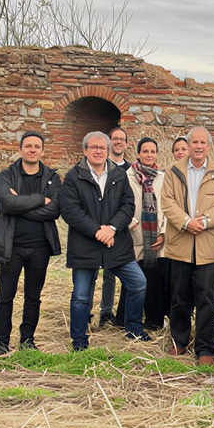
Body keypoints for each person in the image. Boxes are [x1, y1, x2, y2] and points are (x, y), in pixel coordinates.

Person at [59, 131, 150, 351]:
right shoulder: (73, 176)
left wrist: (111, 228)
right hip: (85, 246)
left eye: (102, 148)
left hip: (116, 244)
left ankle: (134, 329)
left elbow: (127, 205)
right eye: (94, 147)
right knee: (81, 296)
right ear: (85, 150)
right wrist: (96, 231)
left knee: (138, 283)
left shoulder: (119, 174)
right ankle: (79, 339)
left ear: (108, 151)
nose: (98, 151)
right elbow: (70, 210)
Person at [0, 131, 61, 356]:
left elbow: (55, 210)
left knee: (33, 297)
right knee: (5, 296)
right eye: (28, 146)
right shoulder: (6, 175)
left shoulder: (52, 177)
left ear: (43, 151)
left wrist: (20, 205)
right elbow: (6, 204)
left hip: (40, 247)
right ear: (20, 149)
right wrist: (39, 199)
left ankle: (27, 341)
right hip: (11, 247)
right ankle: (1, 342)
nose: (32, 150)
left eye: (37, 146)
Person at [161, 127, 214, 366]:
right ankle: (179, 341)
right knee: (179, 297)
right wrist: (185, 222)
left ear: (209, 146)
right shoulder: (173, 171)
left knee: (206, 300)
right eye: (194, 142)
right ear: (188, 145)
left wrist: (204, 221)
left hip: (208, 247)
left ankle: (205, 348)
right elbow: (167, 202)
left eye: (203, 142)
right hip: (179, 245)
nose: (198, 146)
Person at [127, 137, 169, 331]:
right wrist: (133, 224)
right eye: (145, 151)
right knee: (137, 281)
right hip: (136, 234)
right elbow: (121, 204)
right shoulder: (127, 176)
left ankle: (155, 322)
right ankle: (131, 321)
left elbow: (168, 205)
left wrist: (163, 232)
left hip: (158, 236)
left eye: (153, 151)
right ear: (138, 153)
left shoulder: (163, 177)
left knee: (157, 282)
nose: (149, 155)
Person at [96, 127, 133, 328]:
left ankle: (119, 314)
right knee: (95, 274)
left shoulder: (131, 169)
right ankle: (102, 312)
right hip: (98, 229)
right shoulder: (100, 165)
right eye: (115, 139)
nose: (118, 142)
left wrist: (117, 225)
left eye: (122, 139)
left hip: (123, 227)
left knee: (118, 273)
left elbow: (130, 201)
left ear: (126, 144)